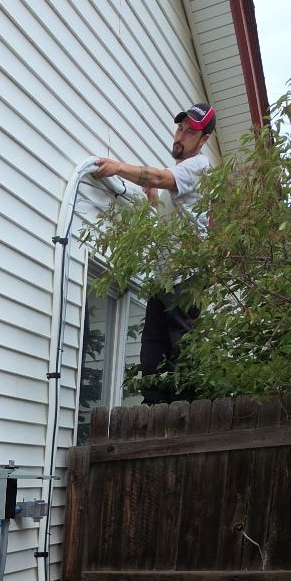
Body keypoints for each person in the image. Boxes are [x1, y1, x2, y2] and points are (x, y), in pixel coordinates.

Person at [95, 103, 216, 403]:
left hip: (185, 282)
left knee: (182, 358)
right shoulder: (180, 178)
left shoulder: (198, 167)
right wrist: (153, 201)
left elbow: (161, 178)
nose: (181, 136)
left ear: (203, 141)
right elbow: (171, 225)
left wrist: (119, 167)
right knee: (152, 361)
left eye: (191, 132)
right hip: (165, 281)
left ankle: (187, 422)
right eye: (180, 128)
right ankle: (153, 417)